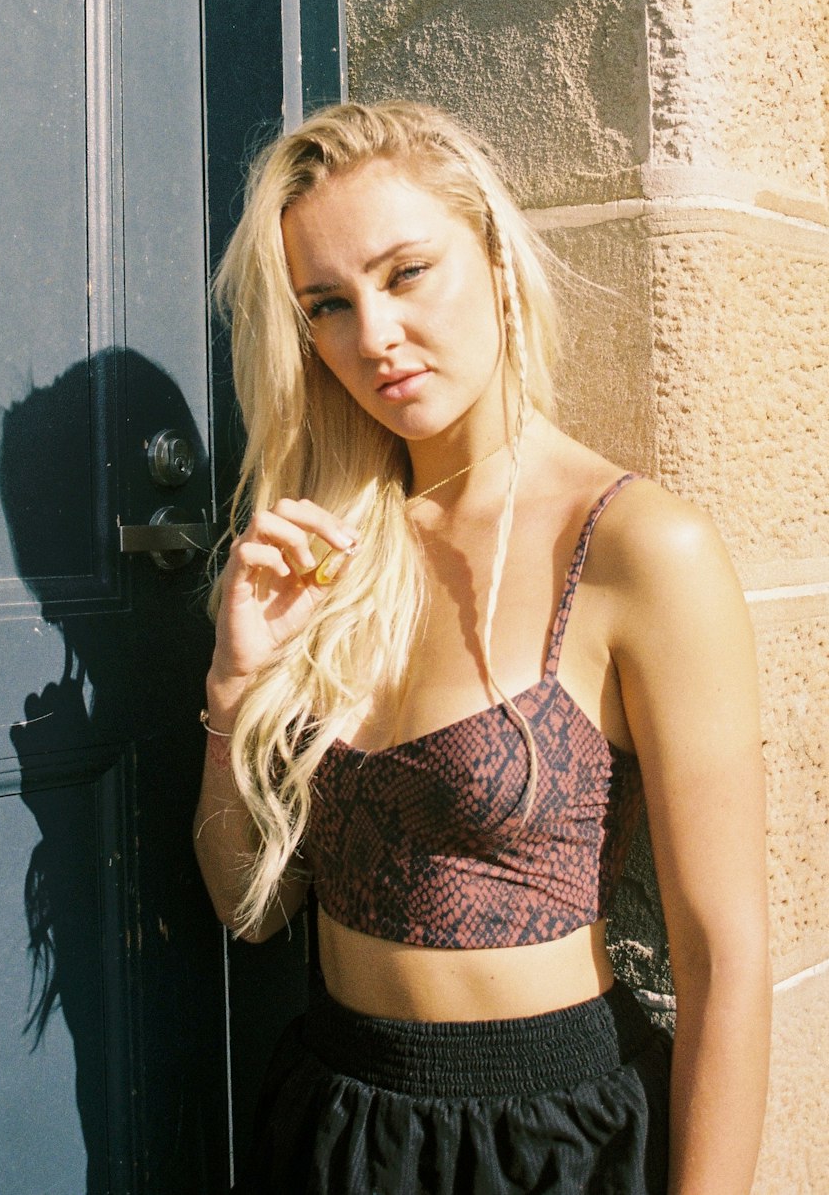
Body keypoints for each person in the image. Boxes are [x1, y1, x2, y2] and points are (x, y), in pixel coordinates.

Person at [193, 101, 770, 1195]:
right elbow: (248, 905)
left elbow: (724, 962)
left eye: (406, 272)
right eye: (328, 304)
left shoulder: (639, 548)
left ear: (495, 261)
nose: (372, 336)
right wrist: (233, 688)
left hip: (545, 1141)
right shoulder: (334, 550)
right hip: (333, 1120)